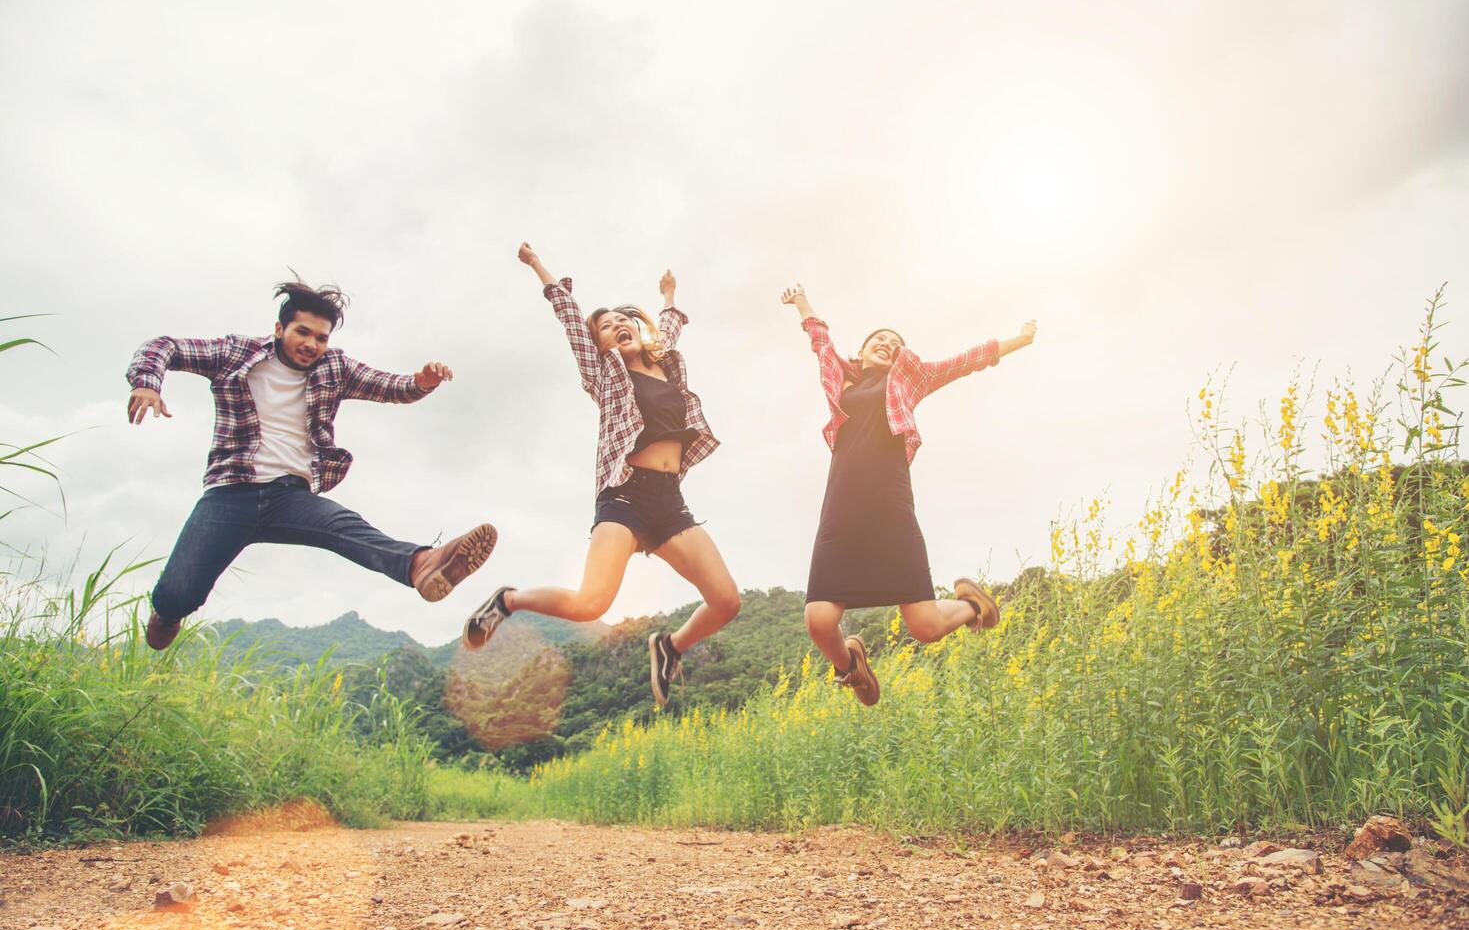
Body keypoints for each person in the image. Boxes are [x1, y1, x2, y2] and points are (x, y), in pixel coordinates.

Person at [125, 274, 495, 650]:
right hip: (230, 493)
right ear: (279, 328)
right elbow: (164, 346)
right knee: (178, 593)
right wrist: (147, 382)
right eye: (302, 333)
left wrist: (421, 381)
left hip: (291, 497)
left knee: (346, 526)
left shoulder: (333, 367)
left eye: (321, 337)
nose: (311, 344)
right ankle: (167, 612)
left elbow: (388, 387)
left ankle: (422, 565)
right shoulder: (235, 353)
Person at [463, 243, 740, 707]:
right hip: (625, 498)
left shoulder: (668, 364)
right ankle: (508, 601)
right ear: (601, 345)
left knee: (727, 601)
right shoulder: (604, 373)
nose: (618, 327)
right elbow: (571, 317)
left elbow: (668, 329)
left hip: (670, 503)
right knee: (592, 603)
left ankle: (670, 647)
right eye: (607, 328)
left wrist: (670, 295)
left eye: (623, 321)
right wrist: (537, 267)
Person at [781, 283, 1037, 705]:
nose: (887, 344)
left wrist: (1019, 340)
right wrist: (801, 301)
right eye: (878, 340)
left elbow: (966, 361)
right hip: (841, 512)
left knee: (925, 627)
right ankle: (852, 667)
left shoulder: (909, 381)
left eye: (896, 344)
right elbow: (819, 338)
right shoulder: (839, 378)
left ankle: (973, 606)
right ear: (860, 353)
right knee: (818, 619)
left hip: (891, 508)